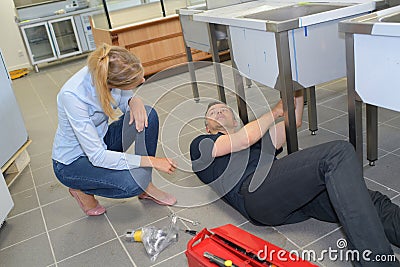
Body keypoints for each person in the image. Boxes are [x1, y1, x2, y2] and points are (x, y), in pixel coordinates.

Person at [190, 101, 400, 266]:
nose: (218, 111)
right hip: (254, 193)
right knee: (337, 154)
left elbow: (294, 121)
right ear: (207, 127)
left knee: (372, 201)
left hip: (290, 199)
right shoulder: (201, 145)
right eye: (212, 112)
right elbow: (244, 139)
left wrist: (296, 89)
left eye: (223, 109)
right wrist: (274, 112)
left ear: (235, 121)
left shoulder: (256, 142)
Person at [52, 44, 177, 216]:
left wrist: (133, 100)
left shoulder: (108, 70)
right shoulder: (73, 95)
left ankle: (146, 187)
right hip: (73, 162)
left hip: (101, 141)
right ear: (112, 83)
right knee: (132, 183)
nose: (142, 81)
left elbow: (125, 100)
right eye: (136, 80)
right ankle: (82, 188)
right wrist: (151, 160)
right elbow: (98, 156)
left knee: (148, 114)